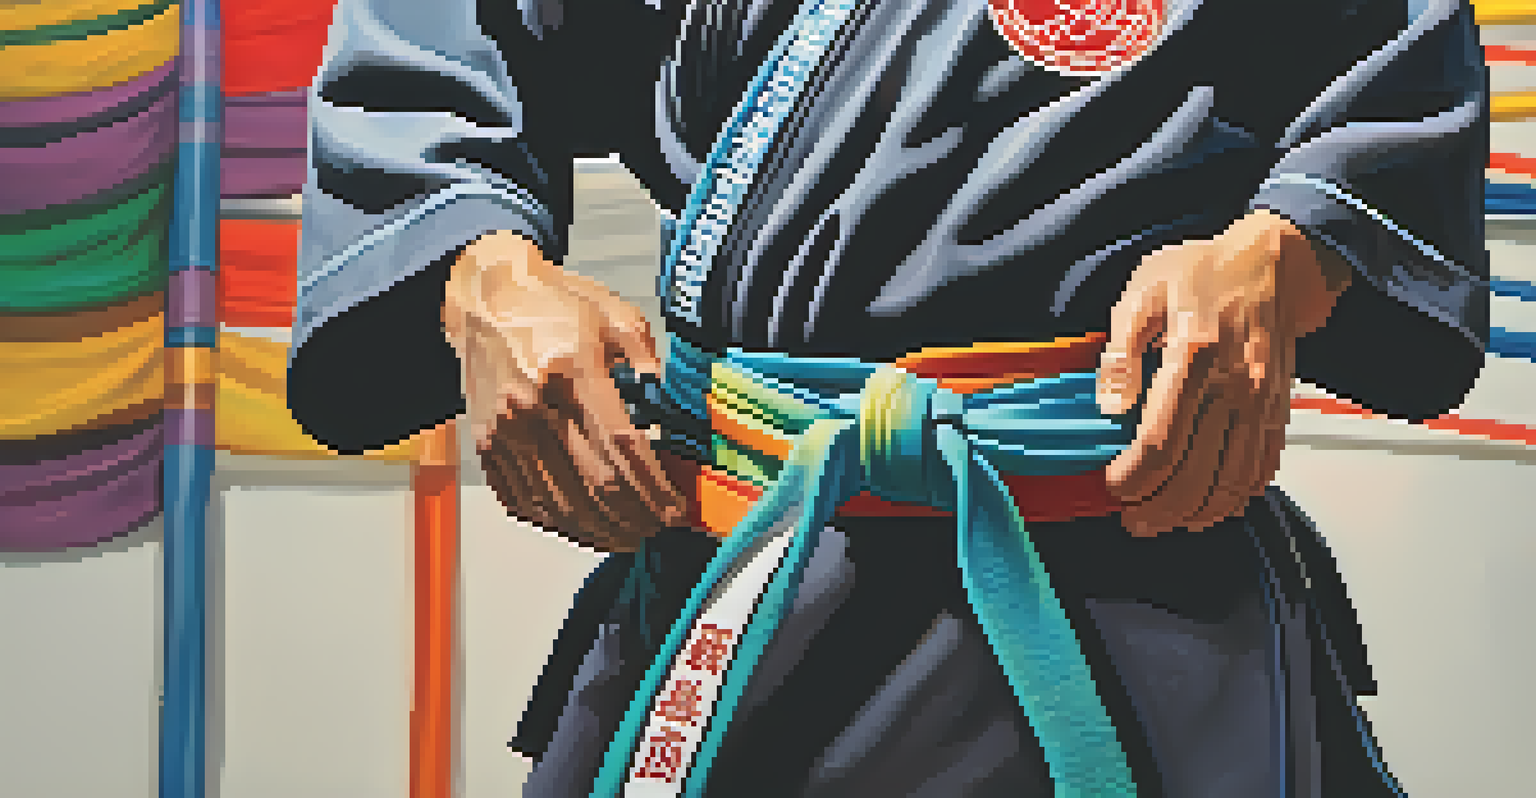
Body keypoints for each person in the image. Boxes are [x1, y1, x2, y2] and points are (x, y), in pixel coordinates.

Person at [287, 0, 1489, 794]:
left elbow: (1393, 75)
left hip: (1122, 567)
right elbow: (431, 51)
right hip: (750, 551)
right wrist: (483, 275)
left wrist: (1287, 252)